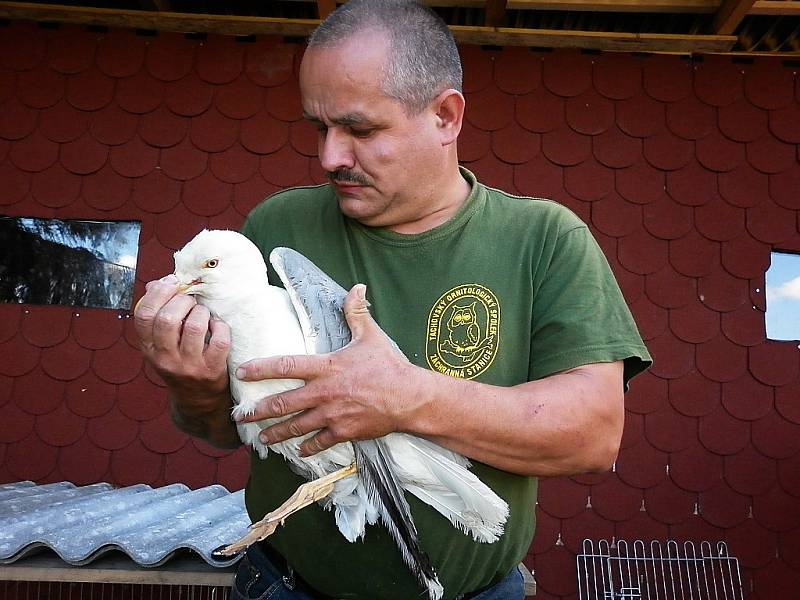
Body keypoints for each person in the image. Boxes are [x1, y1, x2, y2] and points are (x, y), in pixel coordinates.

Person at [134, 1, 652, 599]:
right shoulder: (277, 226)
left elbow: (591, 436)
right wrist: (193, 386)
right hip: (285, 587)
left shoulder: (543, 240)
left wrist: (408, 399)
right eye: (319, 129)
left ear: (446, 116)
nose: (331, 156)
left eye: (360, 130)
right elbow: (228, 429)